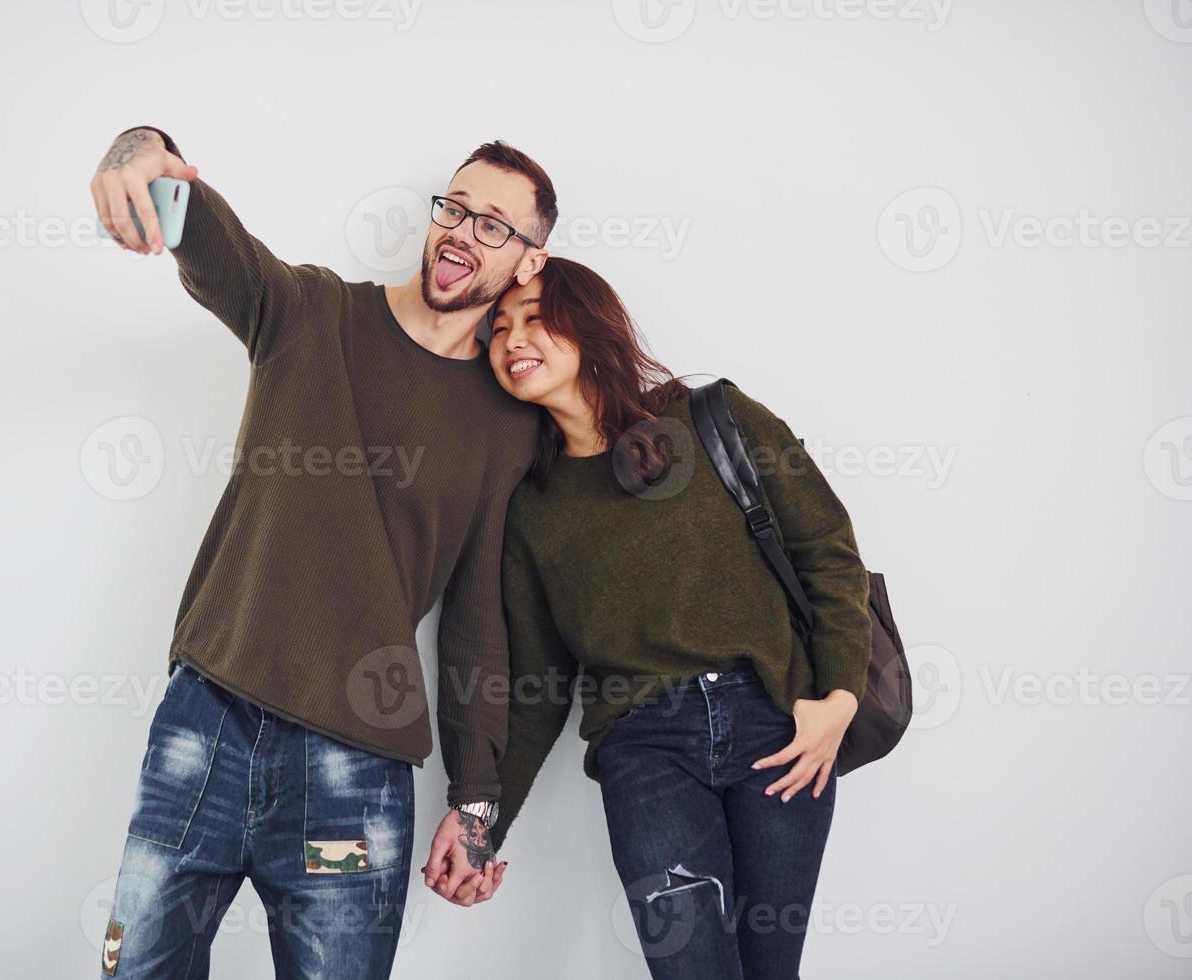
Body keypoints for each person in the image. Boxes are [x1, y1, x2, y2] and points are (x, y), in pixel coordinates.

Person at [88, 125, 555, 978]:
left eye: (495, 224)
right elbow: (215, 248)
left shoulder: (507, 424)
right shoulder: (311, 312)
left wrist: (476, 801)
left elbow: (477, 620)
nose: (462, 231)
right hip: (208, 727)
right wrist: (148, 154)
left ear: (530, 261)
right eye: (455, 207)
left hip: (356, 774)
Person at [449, 257, 872, 978]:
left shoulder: (716, 418)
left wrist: (839, 697)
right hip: (645, 752)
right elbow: (539, 689)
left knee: (773, 968)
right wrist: (482, 829)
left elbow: (828, 552)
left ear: (589, 326)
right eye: (499, 328)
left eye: (536, 317)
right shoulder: (533, 507)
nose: (513, 338)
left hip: (776, 728)